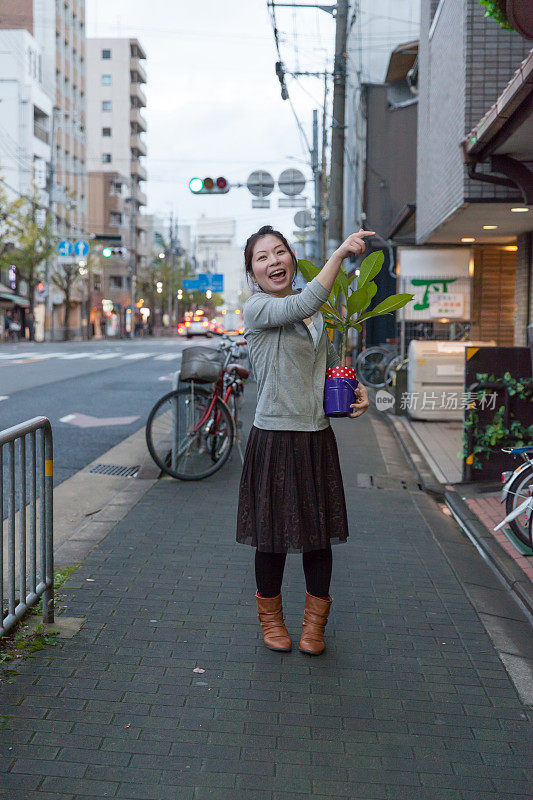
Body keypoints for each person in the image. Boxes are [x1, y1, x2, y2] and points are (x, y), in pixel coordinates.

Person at [237, 225, 372, 656]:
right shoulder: (258, 309)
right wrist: (339, 255)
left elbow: (329, 359)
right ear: (253, 273)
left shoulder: (313, 314)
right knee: (272, 539)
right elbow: (307, 299)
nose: (273, 261)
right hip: (275, 437)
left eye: (280, 252)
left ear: (292, 258)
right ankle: (271, 621)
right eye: (263, 257)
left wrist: (356, 385)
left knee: (318, 538)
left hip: (316, 436)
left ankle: (315, 628)